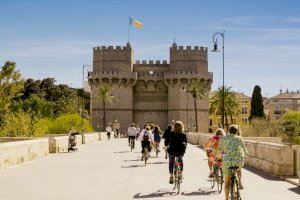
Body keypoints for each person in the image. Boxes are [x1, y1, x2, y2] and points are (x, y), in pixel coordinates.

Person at [217, 124, 248, 200]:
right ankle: (238, 182)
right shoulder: (239, 138)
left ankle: (226, 198)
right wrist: (246, 155)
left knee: (227, 182)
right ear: (237, 132)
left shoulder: (223, 139)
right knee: (238, 169)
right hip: (239, 161)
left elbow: (219, 151)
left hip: (227, 161)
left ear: (228, 131)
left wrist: (219, 156)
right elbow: (244, 149)